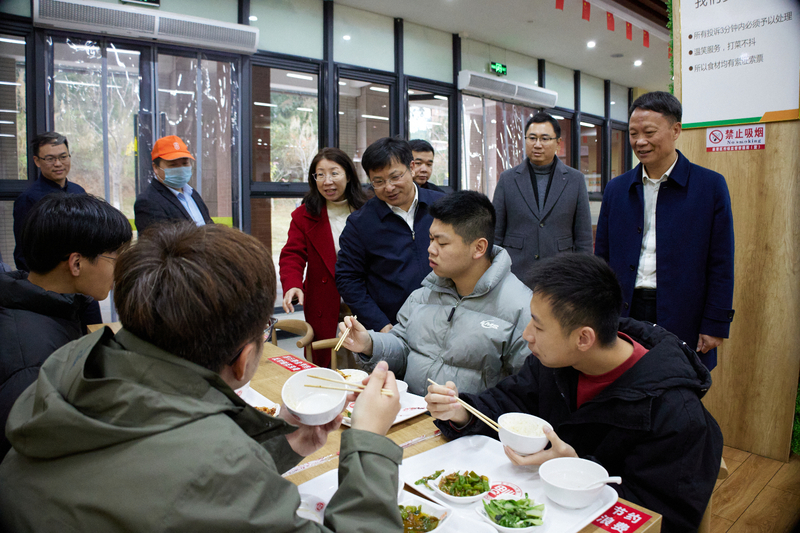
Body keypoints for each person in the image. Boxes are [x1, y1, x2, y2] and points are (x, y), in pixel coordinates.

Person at [0, 223, 403, 532]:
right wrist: (368, 442)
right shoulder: (215, 465)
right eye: (264, 328)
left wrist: (286, 442)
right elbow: (202, 478)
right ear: (244, 359)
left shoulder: (67, 373)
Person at [425, 254, 723, 532]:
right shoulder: (554, 362)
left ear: (583, 338)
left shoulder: (676, 414)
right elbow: (508, 404)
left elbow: (660, 518)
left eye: (539, 327)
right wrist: (461, 412)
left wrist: (576, 471)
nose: (527, 335)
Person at [339, 191, 532, 396]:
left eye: (442, 243)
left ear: (479, 248)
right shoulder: (424, 294)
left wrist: (464, 412)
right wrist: (369, 344)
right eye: (431, 239)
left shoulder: (521, 309)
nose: (430, 249)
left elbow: (523, 390)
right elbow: (403, 349)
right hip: (413, 412)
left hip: (470, 417)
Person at [594, 91, 735, 370]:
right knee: (623, 382)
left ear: (676, 130)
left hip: (683, 313)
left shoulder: (709, 186)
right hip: (626, 309)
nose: (639, 141)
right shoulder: (617, 189)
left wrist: (715, 323)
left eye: (649, 132)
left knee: (677, 384)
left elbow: (721, 262)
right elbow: (602, 258)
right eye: (633, 133)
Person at [0, 193, 132, 458]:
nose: (120, 270)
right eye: (115, 258)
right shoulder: (33, 365)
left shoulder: (50, 307)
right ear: (76, 263)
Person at [336, 137, 444, 332]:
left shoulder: (443, 207)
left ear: (411, 168)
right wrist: (381, 325)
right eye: (378, 181)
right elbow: (348, 279)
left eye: (395, 177)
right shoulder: (360, 223)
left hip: (446, 319)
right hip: (395, 328)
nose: (389, 187)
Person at [279, 148, 367, 368]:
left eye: (334, 173)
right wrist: (292, 284)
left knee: (366, 364)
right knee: (330, 366)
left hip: (365, 302)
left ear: (348, 175)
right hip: (326, 304)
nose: (327, 181)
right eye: (320, 175)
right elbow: (292, 254)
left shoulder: (368, 210)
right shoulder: (304, 215)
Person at [492, 112, 593, 278]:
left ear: (558, 142)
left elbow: (584, 238)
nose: (537, 144)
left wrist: (582, 277)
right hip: (515, 273)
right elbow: (495, 233)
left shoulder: (575, 180)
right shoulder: (507, 179)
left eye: (545, 139)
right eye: (532, 138)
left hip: (560, 273)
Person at [13, 132, 84, 272]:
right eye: (50, 159)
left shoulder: (79, 192)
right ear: (37, 161)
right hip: (47, 278)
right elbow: (24, 253)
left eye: (63, 157)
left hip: (79, 273)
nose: (58, 164)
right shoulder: (28, 199)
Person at [133, 135, 213, 234]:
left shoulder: (192, 194)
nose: (181, 169)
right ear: (156, 168)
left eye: (185, 163)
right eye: (173, 165)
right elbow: (158, 242)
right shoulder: (148, 202)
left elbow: (210, 228)